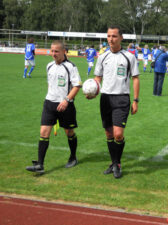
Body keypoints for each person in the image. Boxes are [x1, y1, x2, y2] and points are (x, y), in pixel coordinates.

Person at [91, 25, 140, 179]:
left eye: (114, 36)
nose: (111, 39)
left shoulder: (129, 57)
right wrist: (93, 90)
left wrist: (136, 100)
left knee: (118, 134)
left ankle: (117, 163)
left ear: (121, 38)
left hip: (121, 98)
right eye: (109, 36)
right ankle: (113, 163)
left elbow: (135, 78)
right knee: (108, 133)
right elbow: (97, 78)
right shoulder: (102, 57)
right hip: (105, 98)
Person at [26, 40, 82, 174]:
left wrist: (67, 100)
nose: (53, 54)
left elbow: (77, 86)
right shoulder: (49, 66)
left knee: (69, 132)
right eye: (52, 51)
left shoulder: (71, 67)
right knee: (43, 133)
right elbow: (50, 84)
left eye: (56, 51)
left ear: (64, 51)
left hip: (66, 105)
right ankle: (40, 164)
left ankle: (73, 157)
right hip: (49, 104)